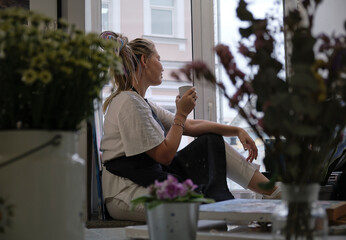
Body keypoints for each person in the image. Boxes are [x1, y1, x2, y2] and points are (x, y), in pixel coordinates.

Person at [99, 31, 280, 221]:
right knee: (205, 204)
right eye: (158, 58)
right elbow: (164, 155)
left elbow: (190, 125)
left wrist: (236, 130)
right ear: (144, 61)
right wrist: (181, 113)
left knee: (211, 142)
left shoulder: (141, 102)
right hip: (127, 193)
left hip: (144, 182)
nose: (162, 65)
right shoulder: (129, 102)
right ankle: (273, 195)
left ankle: (272, 192)